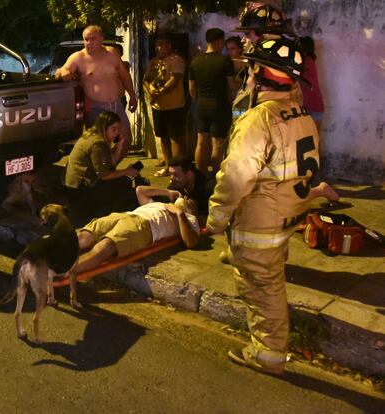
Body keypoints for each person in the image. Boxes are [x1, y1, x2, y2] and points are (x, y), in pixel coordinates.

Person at [207, 33, 318, 376]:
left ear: (259, 73)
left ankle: (269, 355)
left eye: (251, 68)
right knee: (272, 276)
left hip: (261, 221)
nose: (248, 75)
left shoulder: (259, 120)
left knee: (261, 286)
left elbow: (235, 178)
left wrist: (217, 218)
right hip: (286, 215)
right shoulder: (301, 113)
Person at [76, 186, 200, 274]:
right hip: (125, 215)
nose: (185, 197)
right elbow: (140, 190)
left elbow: (190, 242)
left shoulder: (190, 219)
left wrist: (180, 213)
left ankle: (64, 272)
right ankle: (57, 252)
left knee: (106, 245)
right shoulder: (159, 204)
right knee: (83, 237)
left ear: (193, 209)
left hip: (145, 226)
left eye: (189, 200)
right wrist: (167, 192)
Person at [56, 25, 138, 155]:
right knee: (98, 145)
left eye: (93, 39)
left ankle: (110, 167)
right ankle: (100, 172)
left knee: (126, 139)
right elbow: (61, 71)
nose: (89, 43)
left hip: (116, 105)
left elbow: (124, 75)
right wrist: (64, 72)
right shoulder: (78, 57)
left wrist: (132, 95)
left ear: (101, 39)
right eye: (86, 39)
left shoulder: (112, 52)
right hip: (95, 107)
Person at [64, 111, 140, 219]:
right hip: (80, 188)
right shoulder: (98, 143)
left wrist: (119, 147)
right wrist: (126, 172)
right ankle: (102, 211)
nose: (117, 132)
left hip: (77, 184)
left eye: (118, 129)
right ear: (104, 127)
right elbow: (104, 175)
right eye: (114, 129)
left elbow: (110, 164)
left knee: (122, 179)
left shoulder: (96, 136)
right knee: (124, 182)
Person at [188, 28, 236, 174]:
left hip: (201, 105)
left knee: (201, 141)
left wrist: (198, 99)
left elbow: (191, 89)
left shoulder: (195, 62)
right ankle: (216, 178)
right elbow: (231, 85)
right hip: (219, 105)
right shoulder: (224, 61)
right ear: (219, 41)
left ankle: (200, 175)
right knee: (218, 144)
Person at [143, 33, 186, 177]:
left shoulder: (177, 60)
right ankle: (168, 166)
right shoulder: (154, 62)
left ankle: (179, 168)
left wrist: (160, 92)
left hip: (174, 105)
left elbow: (174, 80)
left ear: (169, 46)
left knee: (176, 138)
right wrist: (151, 92)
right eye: (156, 45)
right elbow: (146, 79)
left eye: (160, 45)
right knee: (163, 137)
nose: (157, 48)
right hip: (158, 106)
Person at [135, 155, 212, 224]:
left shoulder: (208, 189)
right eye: (170, 174)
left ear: (189, 174)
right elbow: (141, 191)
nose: (171, 178)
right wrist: (167, 192)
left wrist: (191, 213)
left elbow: (215, 221)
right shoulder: (176, 186)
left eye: (175, 174)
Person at [298, 36, 325, 134]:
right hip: (312, 105)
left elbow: (296, 71)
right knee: (312, 137)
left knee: (313, 136)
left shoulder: (307, 61)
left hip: (313, 106)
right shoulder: (308, 60)